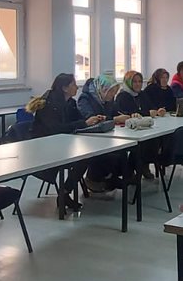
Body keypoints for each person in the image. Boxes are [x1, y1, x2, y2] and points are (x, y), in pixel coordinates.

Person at [28, 72, 106, 208]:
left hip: (62, 143)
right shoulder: (49, 104)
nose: (77, 87)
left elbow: (78, 120)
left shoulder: (70, 102)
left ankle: (64, 192)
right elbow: (56, 129)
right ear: (65, 88)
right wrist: (84, 123)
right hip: (44, 147)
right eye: (74, 85)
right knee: (81, 159)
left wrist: (92, 120)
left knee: (86, 156)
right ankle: (64, 193)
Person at [77, 75, 132, 191]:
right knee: (109, 154)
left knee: (121, 151)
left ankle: (113, 177)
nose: (113, 95)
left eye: (114, 92)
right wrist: (114, 119)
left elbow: (116, 112)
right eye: (111, 91)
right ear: (102, 89)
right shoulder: (85, 99)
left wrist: (126, 115)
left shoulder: (108, 99)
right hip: (88, 138)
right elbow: (92, 119)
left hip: (105, 135)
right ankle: (94, 179)